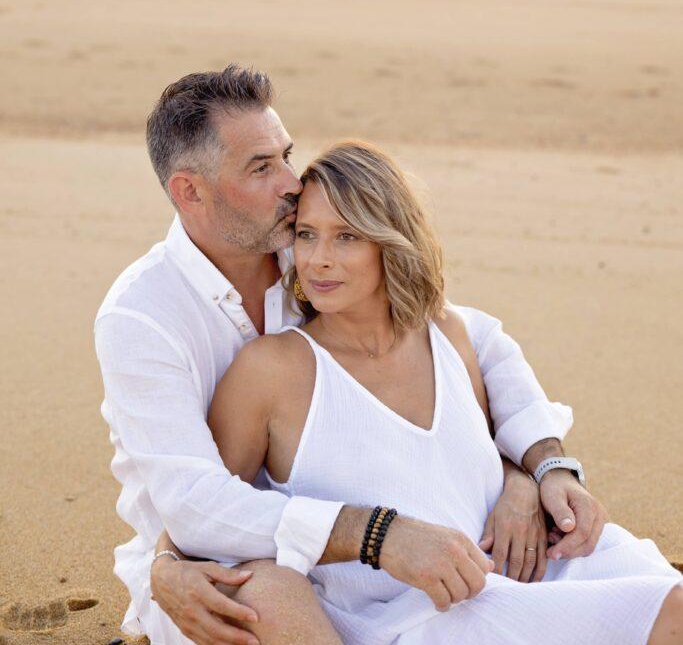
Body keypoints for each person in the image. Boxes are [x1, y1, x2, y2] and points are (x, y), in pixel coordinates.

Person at [95, 66, 605, 645]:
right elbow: (193, 504)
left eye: (285, 155)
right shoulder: (141, 318)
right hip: (213, 567)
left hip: (373, 556)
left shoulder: (307, 245)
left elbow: (476, 340)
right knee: (263, 595)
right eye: (261, 168)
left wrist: (531, 467)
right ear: (190, 191)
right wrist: (376, 534)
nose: (292, 181)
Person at [205, 139, 683, 645]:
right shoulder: (271, 369)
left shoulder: (447, 333)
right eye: (306, 234)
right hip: (421, 612)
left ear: (390, 242)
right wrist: (168, 565)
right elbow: (206, 507)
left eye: (346, 236)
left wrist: (525, 480)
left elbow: (467, 456)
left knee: (670, 601)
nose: (318, 260)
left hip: (531, 568)